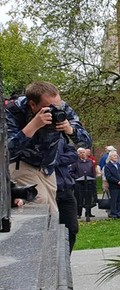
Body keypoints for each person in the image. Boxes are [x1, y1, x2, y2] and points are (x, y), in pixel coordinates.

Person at [6, 81, 92, 212]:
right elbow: (8, 151)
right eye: (49, 108)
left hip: (47, 166)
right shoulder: (14, 110)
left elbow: (86, 142)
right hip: (22, 162)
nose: (55, 110)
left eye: (58, 106)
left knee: (52, 211)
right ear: (33, 104)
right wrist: (33, 125)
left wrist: (70, 130)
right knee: (38, 199)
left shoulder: (62, 107)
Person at [71, 147, 97, 221]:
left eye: (83, 152)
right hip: (79, 183)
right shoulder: (75, 162)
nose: (82, 154)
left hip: (89, 182)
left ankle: (88, 213)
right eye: (81, 153)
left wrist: (93, 178)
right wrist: (77, 177)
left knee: (88, 198)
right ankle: (78, 213)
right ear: (78, 154)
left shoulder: (90, 161)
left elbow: (93, 171)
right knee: (79, 198)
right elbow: (71, 172)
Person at [103, 150, 120, 219]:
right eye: (114, 156)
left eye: (116, 155)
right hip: (113, 186)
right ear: (110, 157)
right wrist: (117, 182)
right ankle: (114, 214)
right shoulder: (107, 166)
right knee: (114, 200)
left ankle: (119, 213)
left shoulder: (119, 165)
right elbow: (109, 177)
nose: (116, 157)